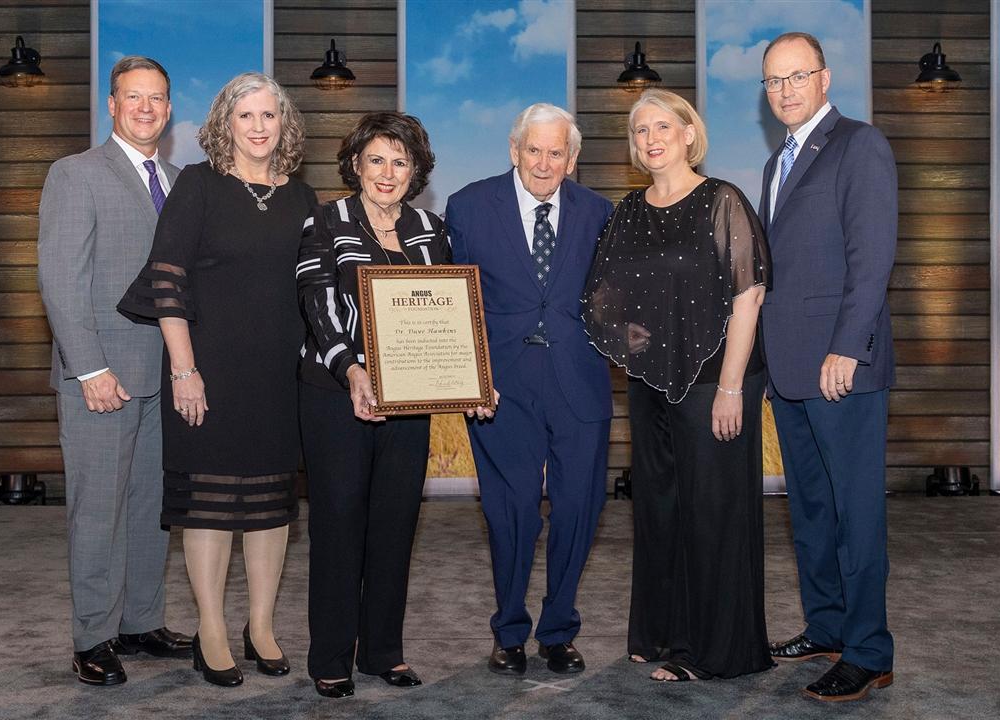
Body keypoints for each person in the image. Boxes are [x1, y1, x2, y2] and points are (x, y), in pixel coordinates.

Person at [117, 72, 315, 687]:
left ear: (284, 124)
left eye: (270, 116)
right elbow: (167, 281)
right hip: (208, 372)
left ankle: (260, 626)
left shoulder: (303, 197)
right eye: (246, 115)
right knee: (207, 506)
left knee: (269, 507)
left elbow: (316, 287)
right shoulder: (198, 186)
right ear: (224, 122)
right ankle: (211, 630)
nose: (259, 127)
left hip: (281, 376)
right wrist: (185, 369)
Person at [583, 89, 773, 683]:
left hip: (717, 378)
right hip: (652, 383)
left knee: (712, 511)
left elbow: (749, 293)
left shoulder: (723, 201)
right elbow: (601, 296)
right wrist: (636, 342)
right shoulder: (629, 211)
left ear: (690, 133)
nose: (651, 138)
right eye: (640, 130)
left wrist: (733, 386)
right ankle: (662, 633)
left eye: (663, 126)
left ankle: (714, 652)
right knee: (660, 508)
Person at [37, 55, 192, 686]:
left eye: (157, 98)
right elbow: (60, 279)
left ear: (169, 107)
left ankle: (141, 621)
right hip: (102, 377)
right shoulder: (76, 174)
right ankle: (93, 636)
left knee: (151, 507)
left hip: (165, 374)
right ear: (111, 104)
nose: (146, 108)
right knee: (98, 510)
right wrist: (88, 368)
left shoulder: (183, 181)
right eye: (134, 97)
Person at [445, 104, 614, 676]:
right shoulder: (468, 207)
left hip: (580, 379)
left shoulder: (600, 212)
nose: (545, 163)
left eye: (557, 152)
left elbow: (616, 300)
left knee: (577, 507)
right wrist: (466, 376)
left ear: (572, 158)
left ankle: (559, 629)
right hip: (501, 384)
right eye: (534, 150)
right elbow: (451, 302)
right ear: (514, 150)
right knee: (511, 508)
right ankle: (509, 630)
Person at [758, 32, 897, 702]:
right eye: (774, 81)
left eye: (796, 76)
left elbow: (871, 259)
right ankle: (826, 626)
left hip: (842, 369)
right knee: (811, 509)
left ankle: (869, 650)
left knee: (855, 513)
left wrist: (847, 345)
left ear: (824, 78)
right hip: (789, 371)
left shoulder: (859, 144)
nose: (785, 90)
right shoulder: (774, 163)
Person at [297, 112, 450, 699]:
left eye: (400, 162)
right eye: (377, 160)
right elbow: (317, 302)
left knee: (395, 526)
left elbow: (446, 314)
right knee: (338, 526)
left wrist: (471, 375)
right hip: (337, 396)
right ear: (356, 164)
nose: (388, 173)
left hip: (410, 401)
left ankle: (383, 651)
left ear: (416, 171)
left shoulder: (431, 228)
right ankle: (331, 657)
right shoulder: (326, 220)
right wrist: (353, 368)